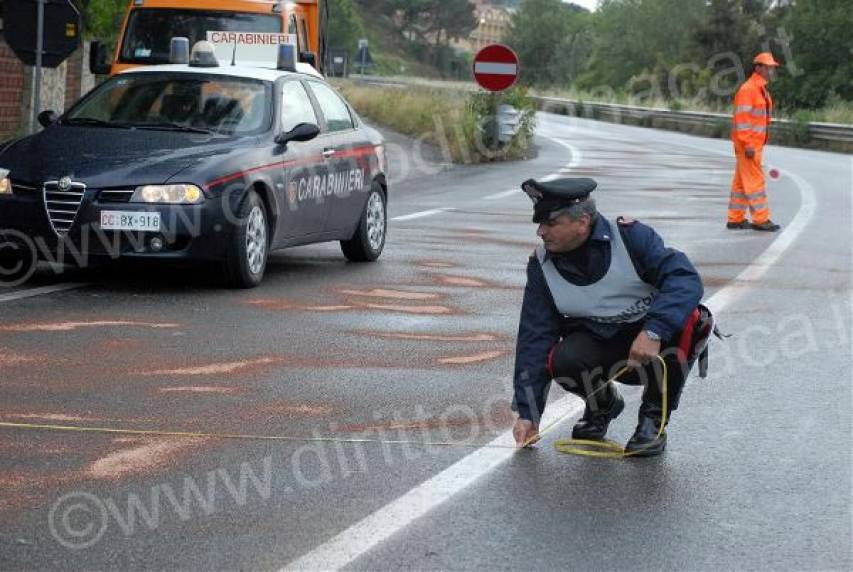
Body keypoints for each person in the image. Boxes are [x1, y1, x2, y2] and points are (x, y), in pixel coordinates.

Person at [511, 177, 706, 456]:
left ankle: (653, 420)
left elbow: (685, 279)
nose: (541, 232)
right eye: (540, 224)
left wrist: (654, 331)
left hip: (654, 347)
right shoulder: (541, 266)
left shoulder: (631, 238)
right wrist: (528, 412)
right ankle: (601, 404)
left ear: (583, 221)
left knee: (694, 320)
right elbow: (534, 336)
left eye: (550, 223)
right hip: (605, 346)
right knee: (561, 358)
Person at [728, 52, 781, 232]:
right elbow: (742, 120)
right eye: (767, 67)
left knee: (741, 184)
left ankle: (735, 219)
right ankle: (761, 219)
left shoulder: (759, 89)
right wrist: (748, 144)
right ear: (757, 68)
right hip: (748, 146)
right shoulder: (749, 89)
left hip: (753, 144)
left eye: (772, 68)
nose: (770, 71)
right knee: (755, 181)